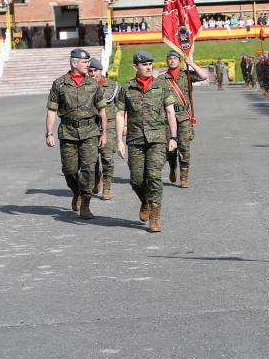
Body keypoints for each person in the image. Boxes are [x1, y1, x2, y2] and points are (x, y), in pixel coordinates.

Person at [115, 51, 177, 232]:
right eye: (144, 64)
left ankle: (155, 218)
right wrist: (119, 140)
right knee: (136, 180)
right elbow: (120, 114)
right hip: (135, 139)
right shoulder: (126, 88)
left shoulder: (162, 86)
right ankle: (146, 201)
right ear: (135, 67)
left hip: (157, 139)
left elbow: (170, 111)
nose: (149, 67)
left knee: (154, 177)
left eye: (151, 63)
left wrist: (173, 137)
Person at [45, 48, 107, 220]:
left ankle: (86, 204)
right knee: (70, 170)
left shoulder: (93, 84)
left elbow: (102, 110)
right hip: (68, 132)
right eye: (85, 62)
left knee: (88, 168)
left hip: (90, 132)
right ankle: (76, 192)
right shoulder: (59, 84)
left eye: (88, 62)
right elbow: (51, 110)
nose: (88, 65)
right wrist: (48, 133)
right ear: (74, 63)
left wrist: (104, 134)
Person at [163, 50, 208, 188]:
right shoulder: (162, 78)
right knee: (170, 149)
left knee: (184, 147)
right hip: (167, 118)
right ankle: (172, 167)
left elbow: (204, 76)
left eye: (174, 58)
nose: (172, 61)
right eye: (169, 58)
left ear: (179, 61)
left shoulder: (186, 74)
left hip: (184, 117)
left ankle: (184, 176)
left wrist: (191, 63)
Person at [89, 58, 119, 201]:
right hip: (90, 126)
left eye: (95, 70)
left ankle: (107, 187)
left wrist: (124, 125)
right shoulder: (84, 86)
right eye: (90, 71)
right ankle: (96, 179)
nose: (93, 73)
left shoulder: (112, 86)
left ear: (101, 71)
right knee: (92, 158)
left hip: (110, 125)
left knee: (107, 157)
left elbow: (121, 108)